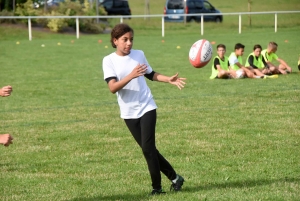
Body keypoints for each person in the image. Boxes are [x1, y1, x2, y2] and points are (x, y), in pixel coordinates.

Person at [102, 23, 185, 195]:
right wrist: (131, 75)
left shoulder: (139, 54)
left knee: (147, 149)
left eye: (131, 39)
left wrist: (168, 79)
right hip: (128, 113)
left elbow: (151, 74)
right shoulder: (108, 60)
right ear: (115, 40)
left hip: (147, 106)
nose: (129, 43)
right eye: (125, 40)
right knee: (150, 149)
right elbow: (113, 87)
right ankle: (176, 178)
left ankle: (157, 188)